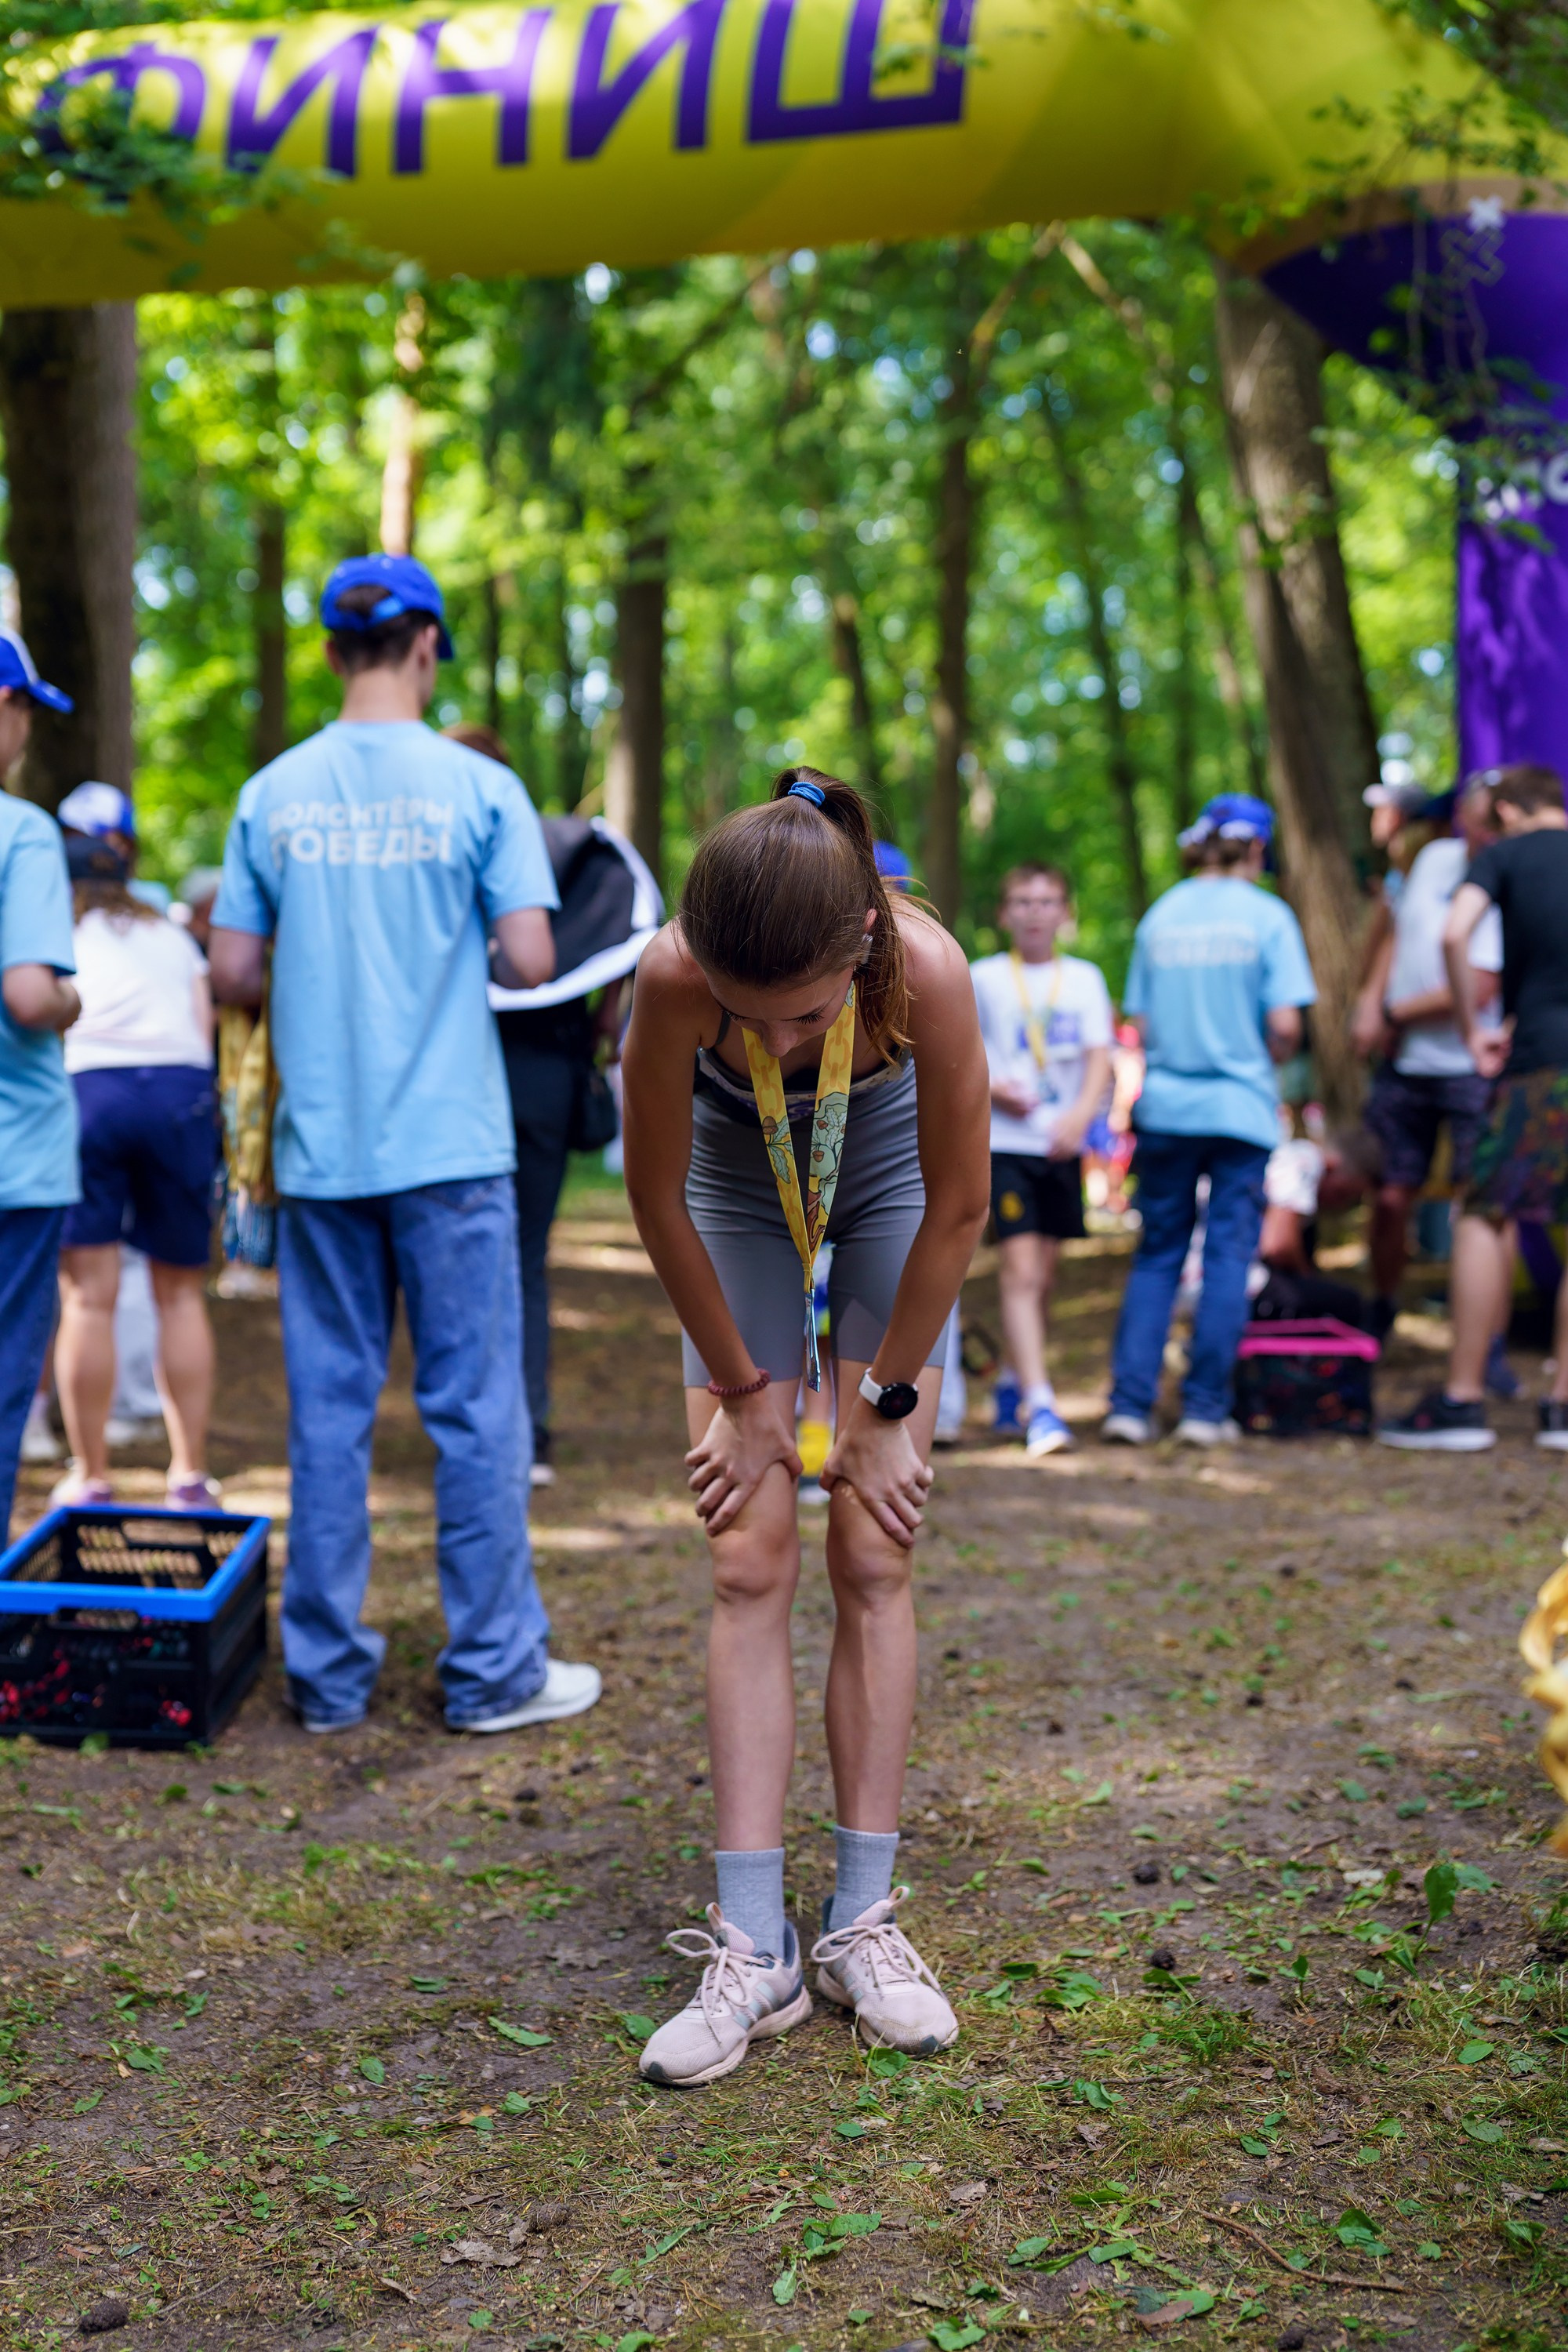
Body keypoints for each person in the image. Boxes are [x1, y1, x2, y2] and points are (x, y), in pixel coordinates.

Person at [621, 768, 989, 2085]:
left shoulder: (928, 970)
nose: (774, 1042)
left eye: (807, 1016)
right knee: (745, 1553)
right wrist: (746, 1393)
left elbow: (957, 1209)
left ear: (863, 956)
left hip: (889, 1177)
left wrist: (879, 1405)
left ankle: (862, 1924)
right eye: (745, 1016)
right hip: (733, 1182)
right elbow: (658, 1200)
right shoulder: (672, 978)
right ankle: (752, 1942)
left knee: (874, 1550)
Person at [208, 553, 601, 1733]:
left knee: (327, 1411)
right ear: (428, 644)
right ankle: (491, 1673)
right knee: (477, 1409)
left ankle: (327, 1682)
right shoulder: (480, 790)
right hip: (454, 1145)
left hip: (322, 1150)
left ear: (333, 651)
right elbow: (531, 959)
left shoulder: (271, 793)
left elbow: (231, 969)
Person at [1103, 794, 1316, 1446]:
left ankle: (1130, 1409)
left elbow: (1140, 1020)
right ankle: (1202, 1410)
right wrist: (1261, 1051)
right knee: (1228, 1256)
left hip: (1166, 1108)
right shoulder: (1268, 916)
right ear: (1256, 849)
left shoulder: (1161, 916)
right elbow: (1285, 1025)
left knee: (1159, 1255)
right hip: (1240, 1110)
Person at [1380, 763, 1568, 1451]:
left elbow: (1456, 934)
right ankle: (1563, 1408)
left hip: (1539, 1061)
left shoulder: (1506, 857)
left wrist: (1472, 1030)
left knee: (1486, 1215)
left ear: (1512, 812)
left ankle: (1462, 1401)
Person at [48, 834, 221, 1509]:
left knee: (89, 1296)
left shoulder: (61, 928)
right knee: (179, 1293)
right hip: (179, 1093)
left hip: (93, 1092)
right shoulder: (168, 936)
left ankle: (90, 1476)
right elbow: (202, 1027)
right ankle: (189, 1475)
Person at [1352, 774, 1504, 1349]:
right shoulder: (1435, 859)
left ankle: (1486, 1344)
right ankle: (1381, 1307)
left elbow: (1482, 986)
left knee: (1482, 1206)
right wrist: (1369, 1001)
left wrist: (1395, 1013)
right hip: (1406, 1065)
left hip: (1470, 1063)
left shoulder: (1505, 875)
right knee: (1390, 1195)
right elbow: (1395, 934)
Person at [970, 864, 1113, 1456]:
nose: (1035, 912)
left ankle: (1012, 1383)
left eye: (1048, 901)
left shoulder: (1084, 979)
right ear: (1004, 914)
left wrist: (1082, 1116)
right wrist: (993, 1088)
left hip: (1061, 1143)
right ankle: (1043, 1406)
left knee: (1045, 1278)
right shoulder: (982, 978)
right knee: (1021, 1272)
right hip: (1006, 1144)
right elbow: (956, 1051)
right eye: (1023, 901)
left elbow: (1100, 1056)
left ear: (1065, 912)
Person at [0, 630, 82, 1541]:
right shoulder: (19, 831)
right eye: (23, 708)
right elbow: (28, 994)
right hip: (13, 1164)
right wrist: (71, 997)